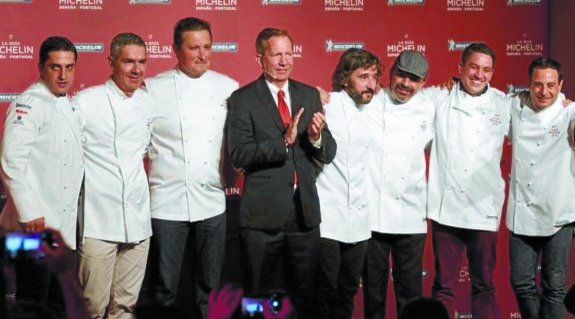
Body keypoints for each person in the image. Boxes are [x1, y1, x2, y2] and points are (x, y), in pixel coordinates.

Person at [226, 27, 336, 318]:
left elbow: (328, 151)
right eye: (276, 54)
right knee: (258, 299)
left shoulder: (309, 94)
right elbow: (238, 155)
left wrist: (315, 137)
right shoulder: (243, 99)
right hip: (262, 218)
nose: (284, 61)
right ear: (260, 58)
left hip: (304, 217)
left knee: (306, 297)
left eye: (289, 53)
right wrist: (282, 142)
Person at [146, 17, 239, 318]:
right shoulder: (153, 88)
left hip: (212, 201)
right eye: (194, 48)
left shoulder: (229, 87)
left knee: (209, 287)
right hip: (165, 203)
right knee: (164, 289)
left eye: (207, 47)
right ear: (175, 50)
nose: (202, 55)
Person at [0, 36, 84, 315]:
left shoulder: (66, 104)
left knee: (58, 304)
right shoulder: (28, 103)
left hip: (61, 228)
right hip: (34, 227)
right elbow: (12, 160)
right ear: (40, 67)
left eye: (69, 67)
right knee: (34, 303)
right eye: (55, 67)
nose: (63, 75)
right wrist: (30, 211)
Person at [425, 43, 510, 319]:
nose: (478, 74)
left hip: (484, 207)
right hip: (445, 208)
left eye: (486, 69)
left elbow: (537, 121)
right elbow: (400, 100)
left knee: (484, 285)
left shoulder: (504, 103)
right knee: (443, 286)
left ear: (492, 73)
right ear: (460, 67)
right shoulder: (439, 98)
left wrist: (564, 105)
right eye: (473, 67)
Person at [72, 33, 153, 319]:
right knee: (91, 306)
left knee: (125, 307)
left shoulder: (148, 102)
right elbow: (67, 155)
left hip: (138, 221)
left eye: (142, 62)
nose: (136, 69)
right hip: (98, 221)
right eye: (128, 62)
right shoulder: (86, 101)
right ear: (111, 62)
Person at [363, 50, 435, 318]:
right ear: (391, 72)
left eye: (414, 80)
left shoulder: (431, 105)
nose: (406, 84)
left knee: (410, 294)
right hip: (372, 215)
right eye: (402, 75)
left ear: (424, 83)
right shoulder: (368, 100)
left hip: (411, 214)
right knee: (373, 293)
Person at [314, 48, 381, 319]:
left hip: (361, 219)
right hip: (328, 216)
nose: (371, 84)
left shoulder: (377, 106)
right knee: (324, 291)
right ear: (345, 78)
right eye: (363, 76)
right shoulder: (326, 104)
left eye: (374, 77)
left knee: (348, 291)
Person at [506, 57, 575, 319]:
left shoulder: (569, 111)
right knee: (521, 282)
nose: (543, 91)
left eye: (550, 85)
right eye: (537, 85)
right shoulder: (515, 105)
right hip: (523, 210)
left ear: (560, 85)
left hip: (559, 212)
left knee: (554, 287)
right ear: (529, 85)